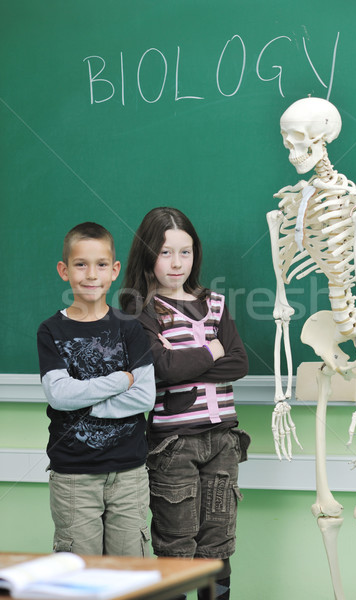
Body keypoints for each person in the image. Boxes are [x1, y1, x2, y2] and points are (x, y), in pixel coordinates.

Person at [119, 207, 250, 600]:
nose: (177, 263)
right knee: (177, 550)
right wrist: (211, 350)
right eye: (165, 252)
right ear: (147, 255)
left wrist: (182, 361)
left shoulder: (215, 303)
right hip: (172, 444)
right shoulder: (140, 312)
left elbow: (239, 362)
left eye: (186, 252)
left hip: (223, 440)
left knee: (217, 549)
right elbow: (161, 372)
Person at [37, 222, 155, 557]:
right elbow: (59, 395)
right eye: (80, 264)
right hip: (74, 477)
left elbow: (144, 396)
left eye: (101, 264)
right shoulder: (50, 331)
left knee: (131, 574)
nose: (91, 274)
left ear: (114, 270)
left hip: (129, 474)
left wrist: (84, 399)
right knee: (79, 575)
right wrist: (120, 380)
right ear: (64, 270)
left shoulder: (130, 328)